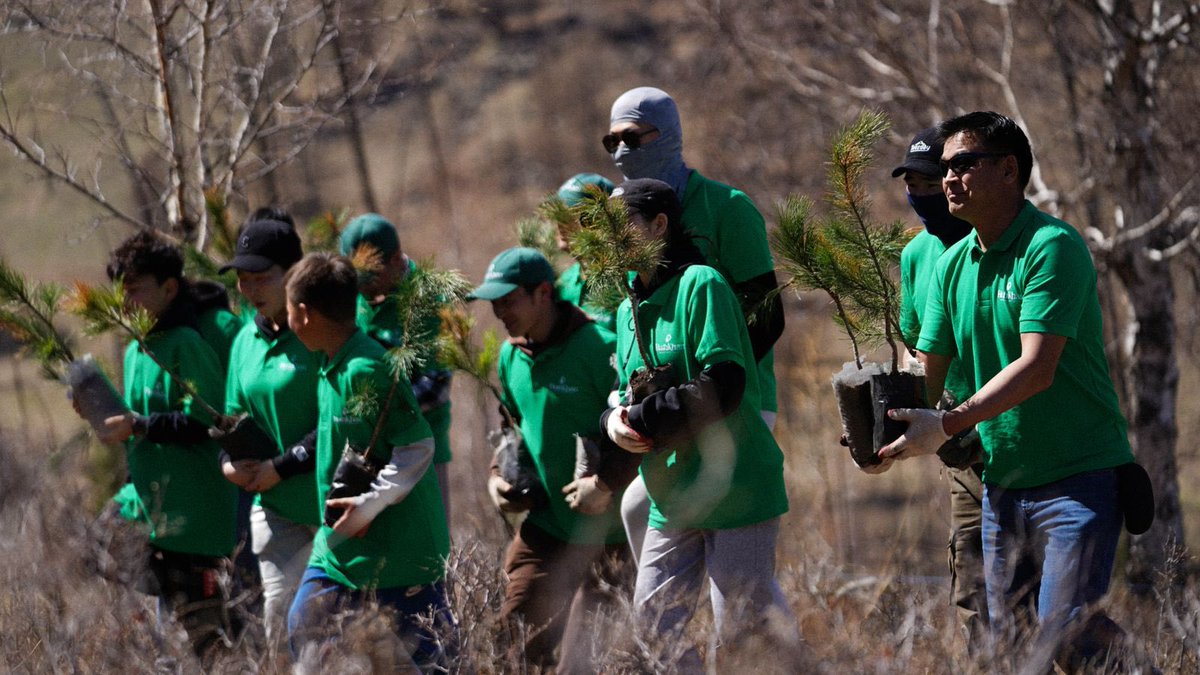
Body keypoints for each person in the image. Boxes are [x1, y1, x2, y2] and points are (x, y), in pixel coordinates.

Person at [880, 112, 1134, 661]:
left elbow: (1037, 367)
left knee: (1066, 630)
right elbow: (928, 373)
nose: (948, 178)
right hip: (1003, 486)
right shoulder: (951, 265)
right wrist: (884, 435)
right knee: (1011, 648)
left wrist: (946, 424)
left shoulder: (1051, 246)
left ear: (1009, 171)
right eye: (945, 168)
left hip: (1078, 479)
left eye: (963, 164)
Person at [601, 179, 797, 668]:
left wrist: (642, 417)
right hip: (672, 494)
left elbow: (723, 385)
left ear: (659, 226)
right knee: (651, 634)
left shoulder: (701, 284)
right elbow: (626, 394)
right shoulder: (627, 310)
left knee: (742, 642)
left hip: (737, 489)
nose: (607, 238)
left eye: (621, 225)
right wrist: (612, 421)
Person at [605, 86, 785, 565]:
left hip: (735, 397)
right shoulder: (627, 223)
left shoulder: (728, 207)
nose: (621, 151)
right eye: (611, 142)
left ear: (667, 134)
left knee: (734, 549)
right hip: (670, 404)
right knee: (640, 509)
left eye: (632, 137)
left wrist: (706, 388)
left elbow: (767, 315)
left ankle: (744, 610)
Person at [283, 252, 453, 669]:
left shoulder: (368, 367)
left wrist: (368, 506)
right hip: (339, 553)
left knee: (432, 662)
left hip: (402, 556)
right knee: (304, 626)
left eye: (287, 311)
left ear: (303, 313)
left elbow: (418, 445)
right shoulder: (331, 361)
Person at [470, 246, 631, 673]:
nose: (499, 313)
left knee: (582, 664)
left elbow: (640, 431)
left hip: (612, 534)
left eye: (509, 300)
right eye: (494, 303)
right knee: (510, 646)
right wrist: (497, 477)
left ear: (543, 293)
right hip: (549, 528)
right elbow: (511, 426)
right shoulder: (511, 355)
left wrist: (606, 483)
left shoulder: (601, 348)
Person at [83, 230, 239, 663]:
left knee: (209, 646)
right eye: (120, 290)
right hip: (151, 509)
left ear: (170, 288)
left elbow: (207, 421)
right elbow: (137, 421)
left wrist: (138, 426)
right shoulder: (137, 348)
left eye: (135, 288)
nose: (124, 300)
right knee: (93, 547)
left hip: (197, 520)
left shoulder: (187, 344)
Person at [868, 127, 987, 644]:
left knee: (1042, 600)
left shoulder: (991, 243)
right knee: (974, 592)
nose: (920, 193)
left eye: (930, 181)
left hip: (1013, 433)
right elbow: (915, 351)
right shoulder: (916, 254)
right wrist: (885, 427)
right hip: (956, 442)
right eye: (911, 183)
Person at [217, 217, 323, 647]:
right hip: (278, 513)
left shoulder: (322, 330)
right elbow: (231, 419)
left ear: (294, 273)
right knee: (282, 631)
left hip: (338, 510)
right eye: (243, 279)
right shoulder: (245, 341)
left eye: (262, 278)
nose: (250, 289)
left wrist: (281, 466)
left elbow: (344, 422)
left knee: (350, 631)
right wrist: (228, 464)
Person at [339, 214, 457, 526]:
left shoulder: (428, 301)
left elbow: (435, 387)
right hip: (363, 455)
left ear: (395, 260)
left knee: (427, 545)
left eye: (371, 275)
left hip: (420, 453)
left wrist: (374, 411)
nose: (362, 286)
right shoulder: (357, 297)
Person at [553, 172, 617, 330]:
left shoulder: (626, 282)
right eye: (558, 214)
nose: (560, 223)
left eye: (570, 215)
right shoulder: (563, 284)